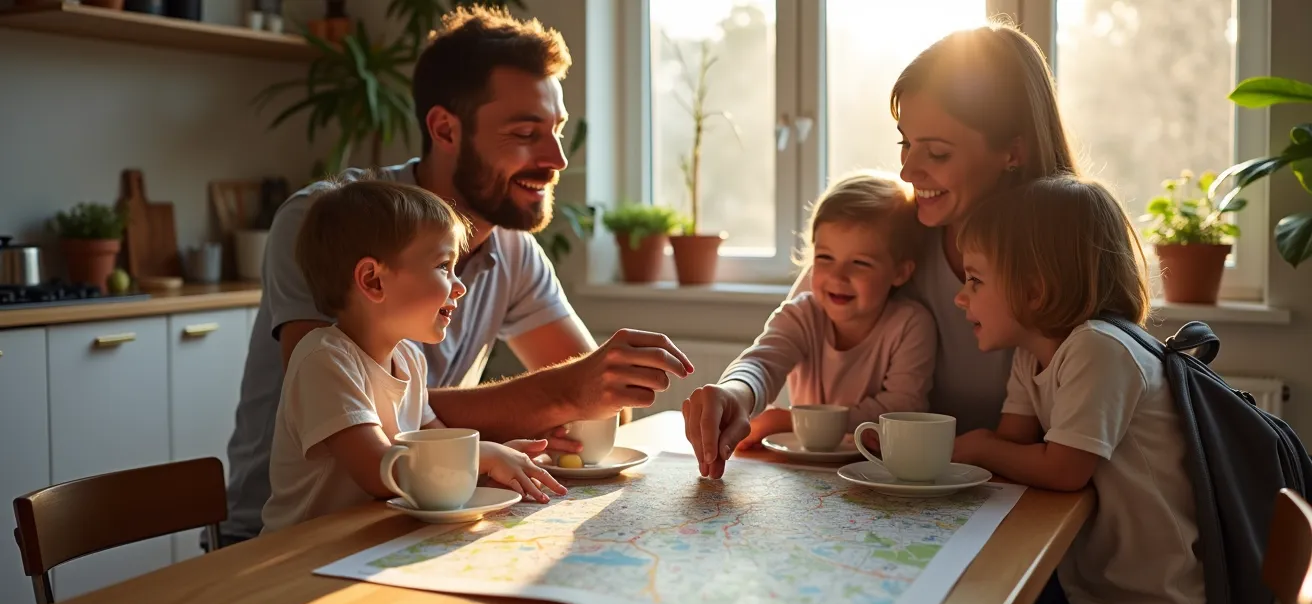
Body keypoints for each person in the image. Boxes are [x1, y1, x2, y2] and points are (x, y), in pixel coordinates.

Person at [223, 6, 692, 544]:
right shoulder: (331, 224)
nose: (557, 158)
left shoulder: (513, 249)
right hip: (285, 541)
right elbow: (358, 411)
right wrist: (558, 395)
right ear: (445, 128)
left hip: (412, 519)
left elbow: (601, 408)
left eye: (556, 130)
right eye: (525, 133)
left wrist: (587, 394)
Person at [685, 21, 1081, 476]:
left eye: (936, 153)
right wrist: (736, 392)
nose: (909, 171)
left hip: (1017, 498)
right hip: (897, 485)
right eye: (905, 144)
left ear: (1014, 152)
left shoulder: (1063, 257)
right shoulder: (891, 235)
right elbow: (775, 346)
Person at [952, 175, 1214, 604]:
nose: (961, 298)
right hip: (1103, 599)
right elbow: (1015, 447)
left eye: (975, 280)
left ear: (1034, 290)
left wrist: (978, 446)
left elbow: (1062, 469)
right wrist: (985, 448)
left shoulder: (1099, 348)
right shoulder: (1033, 354)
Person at [261, 179, 568, 535]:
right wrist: (481, 456)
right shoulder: (324, 361)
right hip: (299, 555)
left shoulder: (409, 358)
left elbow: (438, 445)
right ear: (373, 281)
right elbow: (380, 471)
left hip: (365, 540)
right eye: (443, 266)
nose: (460, 285)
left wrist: (490, 461)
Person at [683, 171, 937, 478]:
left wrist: (791, 421)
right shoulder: (802, 314)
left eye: (860, 263)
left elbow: (900, 410)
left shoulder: (911, 325)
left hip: (876, 475)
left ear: (900, 272)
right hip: (803, 473)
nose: (838, 276)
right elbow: (761, 363)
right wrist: (734, 393)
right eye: (825, 257)